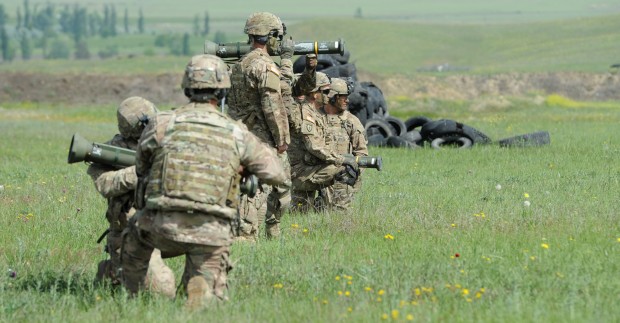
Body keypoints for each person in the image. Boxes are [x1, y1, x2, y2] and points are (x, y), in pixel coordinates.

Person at [120, 54, 288, 309]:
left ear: (187, 88)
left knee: (132, 241)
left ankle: (134, 295)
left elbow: (142, 169)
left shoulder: (162, 123)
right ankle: (201, 287)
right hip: (212, 228)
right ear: (222, 91)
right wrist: (241, 168)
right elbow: (276, 173)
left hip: (161, 224)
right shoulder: (235, 131)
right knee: (208, 277)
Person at [86, 96, 176, 297]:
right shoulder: (111, 151)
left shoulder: (170, 138)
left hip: (171, 222)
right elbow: (104, 184)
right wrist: (140, 172)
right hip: (132, 229)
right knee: (159, 291)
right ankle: (112, 271)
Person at [227, 12, 291, 240]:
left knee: (245, 191)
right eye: (278, 37)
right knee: (263, 192)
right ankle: (250, 238)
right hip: (262, 142)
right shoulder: (264, 67)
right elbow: (273, 107)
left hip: (239, 139)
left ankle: (249, 235)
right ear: (270, 36)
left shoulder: (238, 66)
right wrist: (282, 141)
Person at [288, 72, 359, 212]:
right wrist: (341, 159)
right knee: (344, 170)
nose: (329, 95)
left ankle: (324, 209)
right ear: (315, 94)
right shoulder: (305, 112)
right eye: (326, 91)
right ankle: (340, 214)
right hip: (300, 172)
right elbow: (313, 145)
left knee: (300, 212)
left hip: (308, 167)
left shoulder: (316, 113)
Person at [322, 78, 369, 211]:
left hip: (342, 177)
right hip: (318, 173)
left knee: (339, 212)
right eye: (343, 98)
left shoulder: (351, 121)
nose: (347, 101)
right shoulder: (316, 118)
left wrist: (352, 170)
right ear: (332, 97)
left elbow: (362, 153)